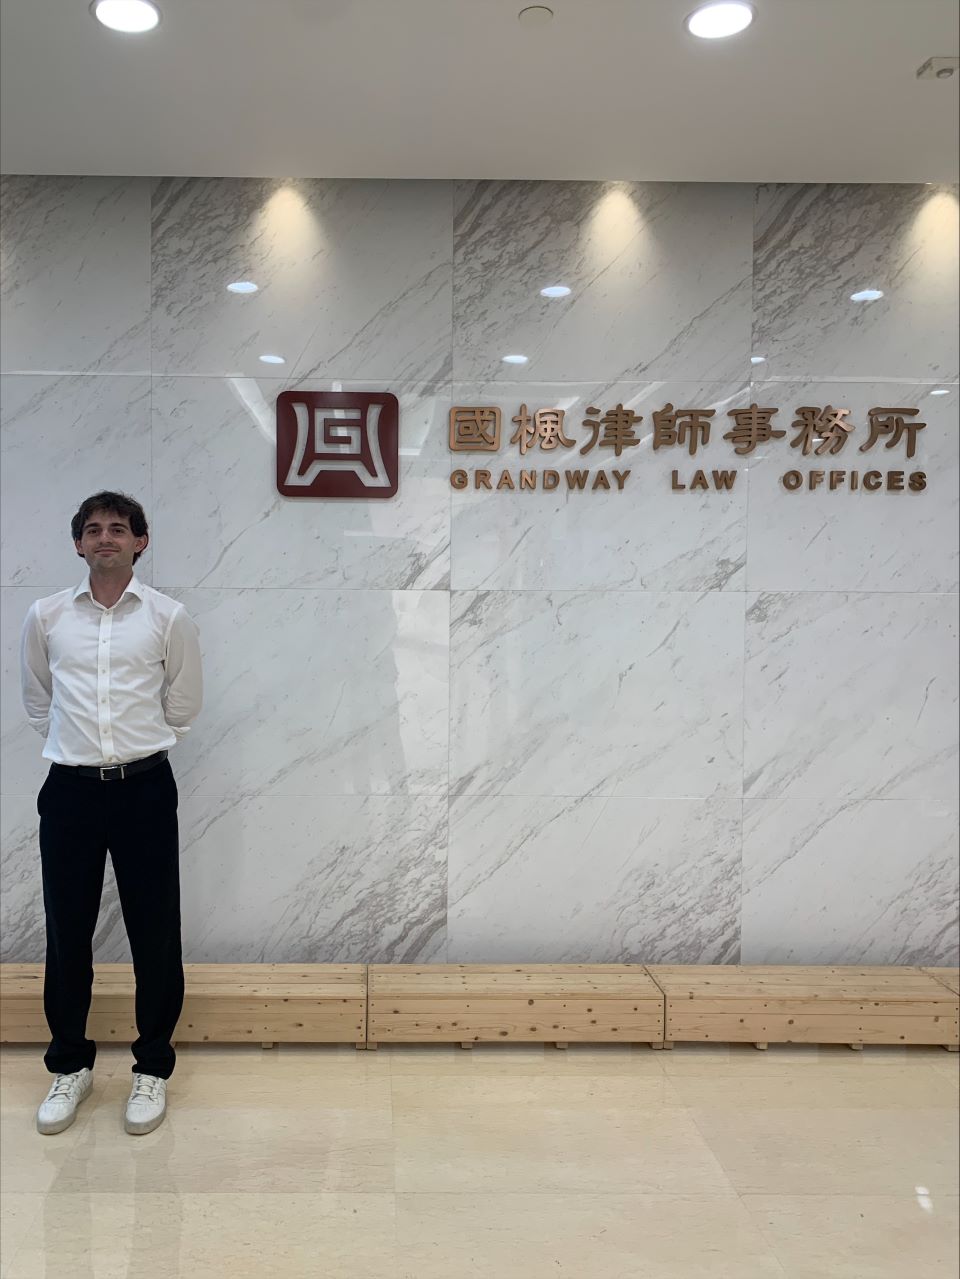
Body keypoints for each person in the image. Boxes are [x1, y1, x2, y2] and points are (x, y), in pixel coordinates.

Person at [19, 492, 202, 1136]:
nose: (105, 538)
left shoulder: (167, 617)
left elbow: (183, 703)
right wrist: (78, 749)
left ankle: (151, 1067)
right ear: (78, 544)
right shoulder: (46, 616)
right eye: (93, 530)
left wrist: (136, 746)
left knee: (156, 930)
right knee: (67, 931)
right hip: (68, 791)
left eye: (118, 529)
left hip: (144, 789)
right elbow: (38, 700)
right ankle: (70, 1065)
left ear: (139, 542)